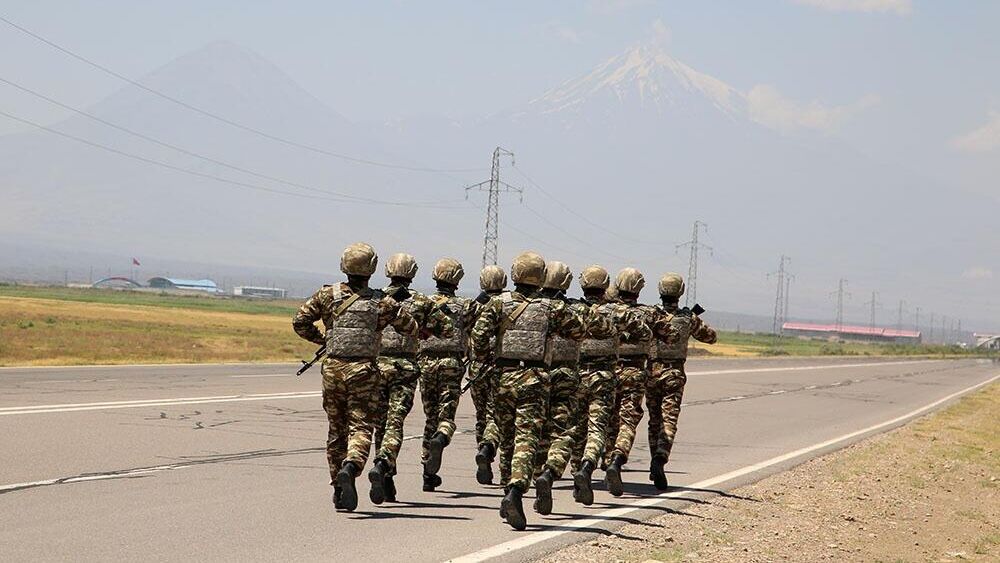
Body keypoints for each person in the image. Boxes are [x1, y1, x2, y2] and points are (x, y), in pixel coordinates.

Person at [292, 242, 417, 512]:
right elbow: (409, 326)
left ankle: (338, 486)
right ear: (371, 269)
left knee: (336, 429)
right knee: (360, 427)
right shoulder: (380, 302)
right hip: (363, 371)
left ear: (344, 266)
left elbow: (300, 322)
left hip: (333, 370)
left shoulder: (327, 295)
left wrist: (324, 338)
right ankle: (352, 465)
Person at [469, 251, 586, 531]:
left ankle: (506, 495)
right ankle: (516, 491)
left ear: (516, 274)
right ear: (541, 277)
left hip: (503, 377)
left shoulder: (498, 304)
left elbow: (478, 337)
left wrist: (488, 359)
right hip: (535, 377)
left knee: (508, 438)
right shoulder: (550, 308)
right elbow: (578, 331)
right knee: (527, 437)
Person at [369, 253, 454, 504]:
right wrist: (424, 331)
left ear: (387, 270)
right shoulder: (420, 302)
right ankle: (384, 465)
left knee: (380, 424)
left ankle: (386, 476)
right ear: (413, 273)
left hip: (376, 366)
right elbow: (447, 329)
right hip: (405, 367)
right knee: (395, 423)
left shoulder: (374, 298)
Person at [570, 265, 651, 505]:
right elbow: (645, 333)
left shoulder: (572, 309)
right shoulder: (621, 313)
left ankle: (579, 474)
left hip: (578, 375)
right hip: (616, 374)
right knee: (619, 422)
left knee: (578, 426)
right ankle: (615, 460)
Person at [532, 261, 597, 515]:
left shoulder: (534, 307)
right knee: (564, 430)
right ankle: (550, 472)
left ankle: (538, 477)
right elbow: (597, 330)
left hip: (535, 375)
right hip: (567, 376)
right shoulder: (571, 310)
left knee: (537, 431)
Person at [646, 273, 717, 490]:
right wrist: (688, 322)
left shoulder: (650, 315)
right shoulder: (688, 318)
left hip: (651, 373)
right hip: (674, 374)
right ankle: (659, 459)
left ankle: (653, 462)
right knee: (669, 420)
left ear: (660, 291)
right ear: (680, 292)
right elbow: (711, 337)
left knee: (654, 420)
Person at [603, 267, 670, 497]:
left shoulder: (604, 310)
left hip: (609, 371)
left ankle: (606, 459)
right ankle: (617, 459)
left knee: (609, 418)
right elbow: (671, 335)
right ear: (639, 289)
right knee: (627, 421)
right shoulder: (649, 314)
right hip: (634, 371)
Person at [418, 258, 479, 491]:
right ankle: (441, 438)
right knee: (446, 417)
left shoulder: (423, 303)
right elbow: (480, 331)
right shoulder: (466, 306)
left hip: (425, 362)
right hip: (452, 363)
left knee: (430, 416)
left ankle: (427, 473)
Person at [470, 264, 507, 485]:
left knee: (481, 415)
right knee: (496, 415)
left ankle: (484, 454)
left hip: (477, 366)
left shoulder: (474, 305)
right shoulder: (506, 304)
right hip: (498, 365)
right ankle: (488, 448)